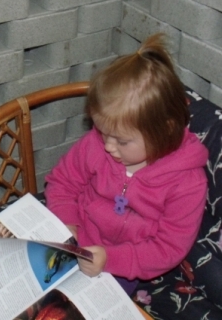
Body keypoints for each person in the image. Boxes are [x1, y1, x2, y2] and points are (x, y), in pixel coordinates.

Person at [44, 32, 208, 293]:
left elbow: (168, 249)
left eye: (121, 141)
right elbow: (62, 182)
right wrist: (67, 222)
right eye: (102, 132)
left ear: (165, 130)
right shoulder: (95, 144)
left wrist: (110, 259)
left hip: (124, 265)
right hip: (77, 236)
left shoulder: (187, 183)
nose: (108, 146)